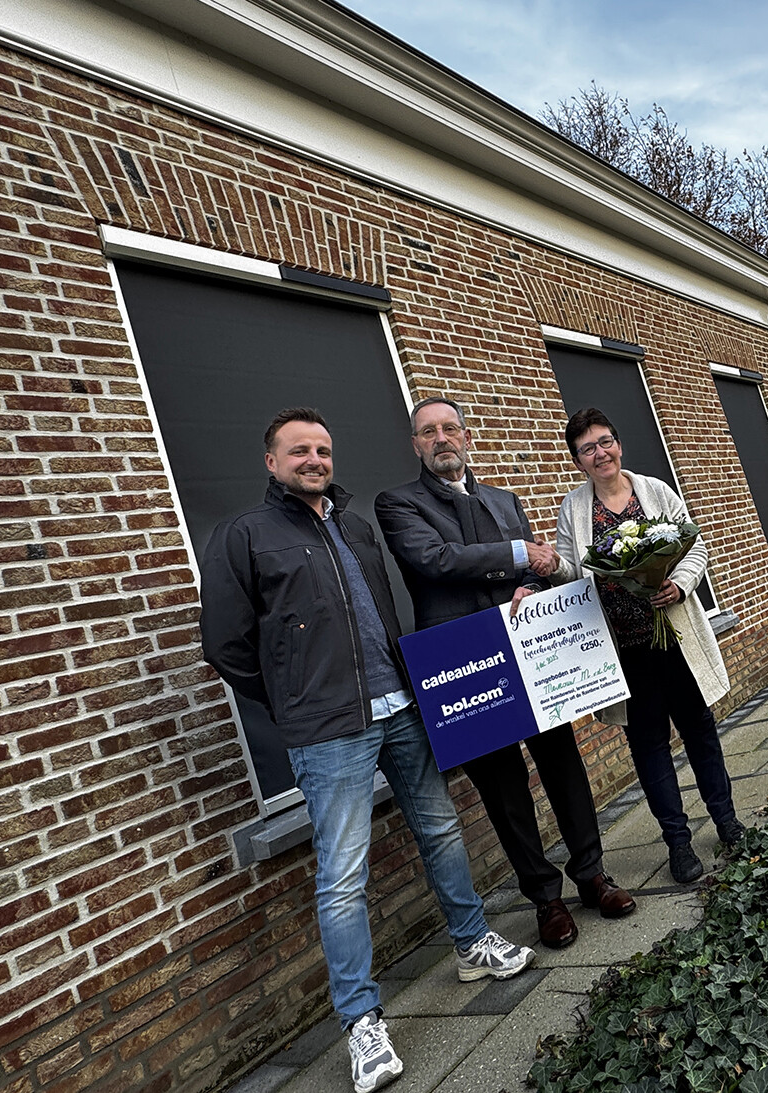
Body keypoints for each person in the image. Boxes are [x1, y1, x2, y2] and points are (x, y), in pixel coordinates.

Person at [200, 407, 533, 1093]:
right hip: (328, 731)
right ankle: (360, 1019)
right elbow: (226, 646)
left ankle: (472, 943)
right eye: (298, 450)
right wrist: (294, 699)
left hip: (400, 707)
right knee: (342, 875)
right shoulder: (245, 535)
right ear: (271, 461)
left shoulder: (354, 525)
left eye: (322, 449)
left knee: (441, 829)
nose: (314, 460)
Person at [375, 396, 635, 952]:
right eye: (429, 432)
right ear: (416, 445)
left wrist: (532, 584)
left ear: (466, 437)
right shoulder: (397, 504)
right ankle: (545, 898)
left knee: (563, 764)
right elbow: (435, 560)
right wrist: (519, 554)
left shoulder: (503, 499)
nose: (441, 439)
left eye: (450, 428)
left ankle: (592, 874)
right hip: (463, 662)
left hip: (527, 649)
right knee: (503, 788)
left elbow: (535, 573)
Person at [539, 406, 744, 884]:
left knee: (700, 732)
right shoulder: (574, 509)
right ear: (577, 460)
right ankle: (678, 842)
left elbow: (694, 545)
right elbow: (573, 573)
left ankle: (727, 822)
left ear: (618, 443)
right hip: (625, 652)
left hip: (676, 640)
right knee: (649, 747)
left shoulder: (655, 490)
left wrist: (680, 584)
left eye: (605, 442)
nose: (600, 453)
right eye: (587, 449)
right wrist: (551, 568)